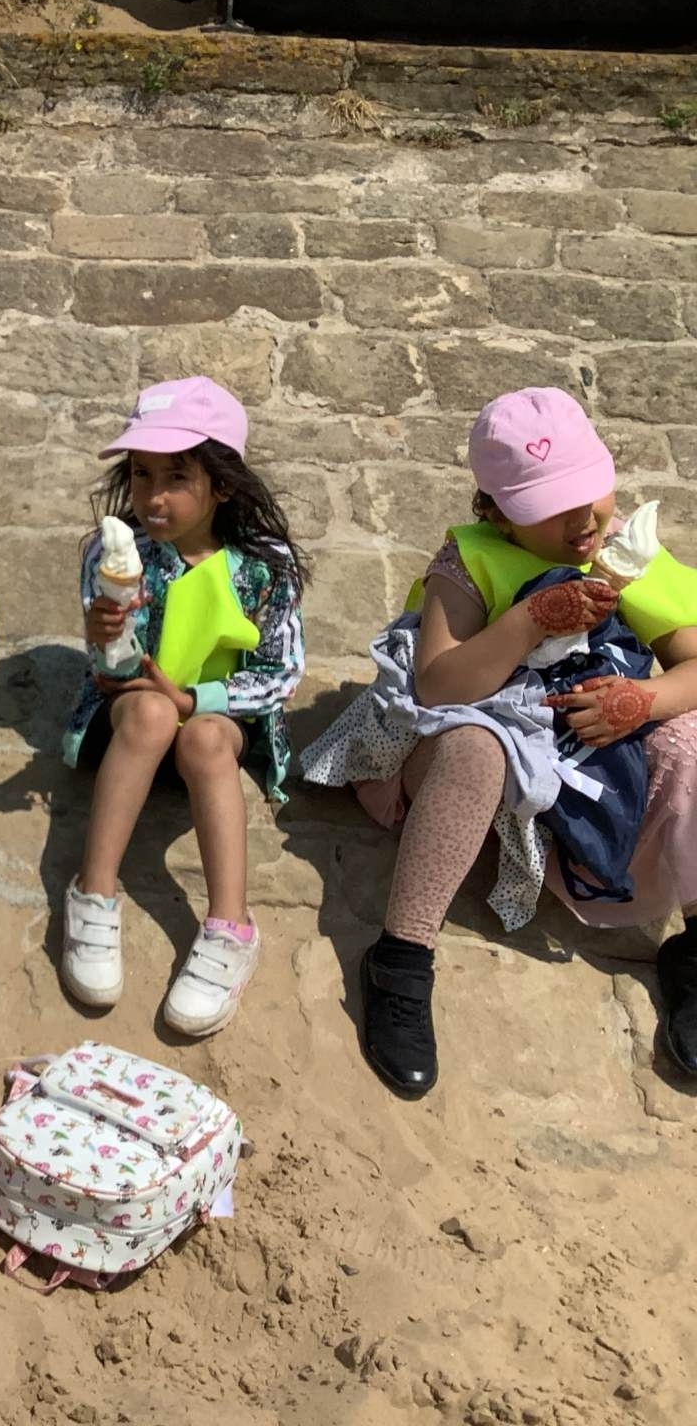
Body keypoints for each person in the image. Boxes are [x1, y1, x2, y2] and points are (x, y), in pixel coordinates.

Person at [302, 388, 697, 1096]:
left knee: (692, 742)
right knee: (474, 747)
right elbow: (440, 686)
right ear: (498, 510)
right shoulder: (469, 560)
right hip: (474, 736)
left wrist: (645, 701)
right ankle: (402, 957)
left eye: (591, 494)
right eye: (552, 507)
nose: (583, 520)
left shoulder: (625, 554)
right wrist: (530, 621)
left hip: (583, 756)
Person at [61, 377, 308, 1037]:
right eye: (142, 474)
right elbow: (111, 673)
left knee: (203, 737)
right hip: (133, 713)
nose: (153, 496)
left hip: (223, 716)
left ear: (222, 484)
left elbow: (281, 671)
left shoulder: (265, 566)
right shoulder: (116, 554)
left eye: (176, 477)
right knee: (150, 714)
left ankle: (230, 926)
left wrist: (199, 699)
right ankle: (93, 891)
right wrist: (108, 634)